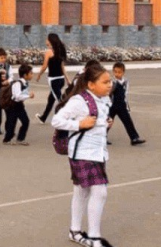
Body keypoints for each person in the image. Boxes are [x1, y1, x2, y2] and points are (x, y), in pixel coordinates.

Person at [52, 64, 115, 247]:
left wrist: (105, 123)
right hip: (82, 153)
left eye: (110, 81)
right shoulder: (79, 101)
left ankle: (75, 231)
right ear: (91, 84)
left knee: (82, 192)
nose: (109, 84)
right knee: (100, 192)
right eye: (105, 82)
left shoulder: (103, 99)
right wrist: (79, 125)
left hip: (98, 152)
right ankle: (94, 237)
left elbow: (96, 122)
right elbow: (57, 120)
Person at [36, 33, 72, 124]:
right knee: (51, 99)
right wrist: (67, 79)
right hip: (61, 80)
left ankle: (70, 118)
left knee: (60, 101)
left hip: (53, 81)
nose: (45, 41)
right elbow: (62, 67)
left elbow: (44, 66)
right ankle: (43, 117)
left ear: (50, 40)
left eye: (47, 39)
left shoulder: (49, 52)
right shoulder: (59, 51)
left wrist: (39, 74)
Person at [108, 62, 146, 146]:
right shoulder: (112, 82)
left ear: (123, 72)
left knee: (128, 121)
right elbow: (108, 93)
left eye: (119, 72)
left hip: (122, 105)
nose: (117, 74)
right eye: (115, 72)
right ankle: (102, 137)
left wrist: (126, 105)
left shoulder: (125, 81)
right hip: (112, 105)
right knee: (108, 121)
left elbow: (125, 93)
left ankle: (134, 138)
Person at [3, 63, 35, 146]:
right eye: (31, 73)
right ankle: (7, 139)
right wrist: (28, 96)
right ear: (25, 75)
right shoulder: (17, 83)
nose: (32, 75)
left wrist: (27, 96)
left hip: (19, 105)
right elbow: (17, 96)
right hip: (13, 106)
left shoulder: (25, 83)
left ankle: (20, 139)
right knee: (12, 123)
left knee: (25, 121)